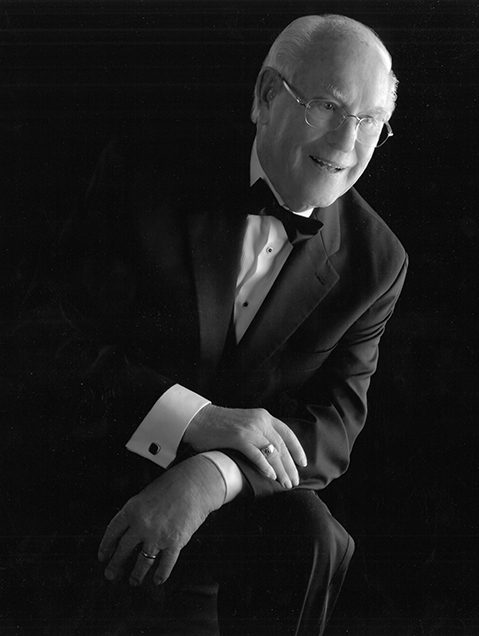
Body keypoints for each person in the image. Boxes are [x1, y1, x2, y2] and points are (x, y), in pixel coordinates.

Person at [4, 13, 407, 636]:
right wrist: (192, 419)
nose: (347, 142)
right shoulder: (148, 172)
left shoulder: (376, 260)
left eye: (369, 121)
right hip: (92, 472)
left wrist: (210, 476)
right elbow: (45, 343)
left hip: (223, 520)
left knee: (315, 535)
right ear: (266, 97)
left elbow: (333, 429)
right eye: (328, 105)